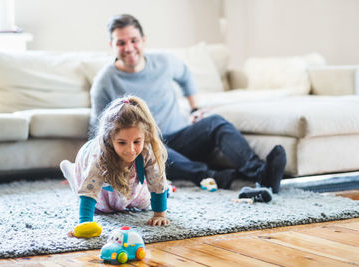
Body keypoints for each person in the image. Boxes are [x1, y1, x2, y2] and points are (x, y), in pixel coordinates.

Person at [89, 14, 286, 195]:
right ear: (111, 45)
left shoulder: (164, 62)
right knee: (149, 148)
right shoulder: (104, 81)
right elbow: (99, 130)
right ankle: (214, 176)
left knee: (215, 122)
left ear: (143, 40)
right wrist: (91, 168)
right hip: (145, 147)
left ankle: (261, 173)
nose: (129, 48)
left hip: (181, 136)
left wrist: (195, 108)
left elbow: (185, 77)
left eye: (134, 41)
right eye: (121, 43)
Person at [61, 95, 170, 238]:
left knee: (143, 203)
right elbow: (89, 192)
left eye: (137, 141)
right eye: (122, 142)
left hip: (127, 183)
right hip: (98, 183)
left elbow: (157, 183)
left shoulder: (147, 150)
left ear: (145, 136)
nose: (131, 149)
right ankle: (71, 170)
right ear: (109, 139)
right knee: (99, 207)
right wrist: (84, 225)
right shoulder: (99, 156)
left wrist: (159, 214)